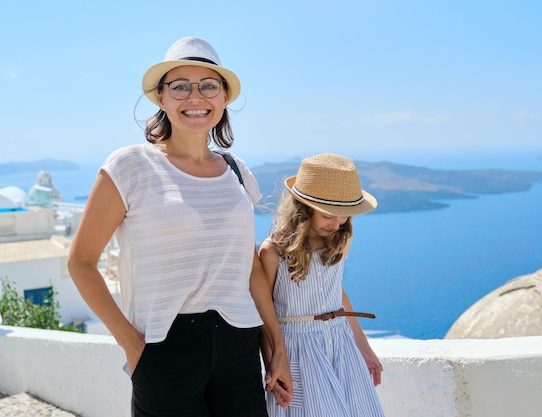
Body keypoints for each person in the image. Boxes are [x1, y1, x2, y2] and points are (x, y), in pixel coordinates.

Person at [68, 36, 292, 417]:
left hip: (240, 345)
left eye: (208, 85)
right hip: (164, 350)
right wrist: (134, 347)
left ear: (224, 98)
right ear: (161, 98)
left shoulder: (236, 171)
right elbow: (81, 262)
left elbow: (249, 266)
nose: (195, 97)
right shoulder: (129, 166)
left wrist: (277, 347)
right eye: (180, 87)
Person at [258, 153, 386, 417]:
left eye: (344, 216)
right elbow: (263, 312)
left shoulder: (338, 240)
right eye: (329, 215)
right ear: (304, 209)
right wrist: (272, 363)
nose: (337, 224)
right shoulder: (273, 251)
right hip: (297, 351)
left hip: (340, 344)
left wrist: (364, 346)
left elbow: (336, 293)